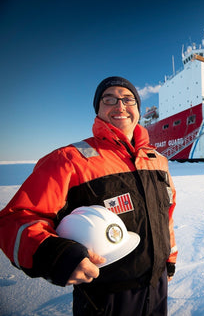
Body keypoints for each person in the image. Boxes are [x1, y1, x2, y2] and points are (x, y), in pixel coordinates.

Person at [0, 76, 178, 315]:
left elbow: (166, 215)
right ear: (98, 109)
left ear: (138, 109)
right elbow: (16, 219)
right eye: (109, 99)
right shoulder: (70, 159)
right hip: (105, 297)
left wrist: (169, 259)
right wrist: (55, 256)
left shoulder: (157, 161)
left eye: (128, 99)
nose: (120, 105)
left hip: (157, 288)